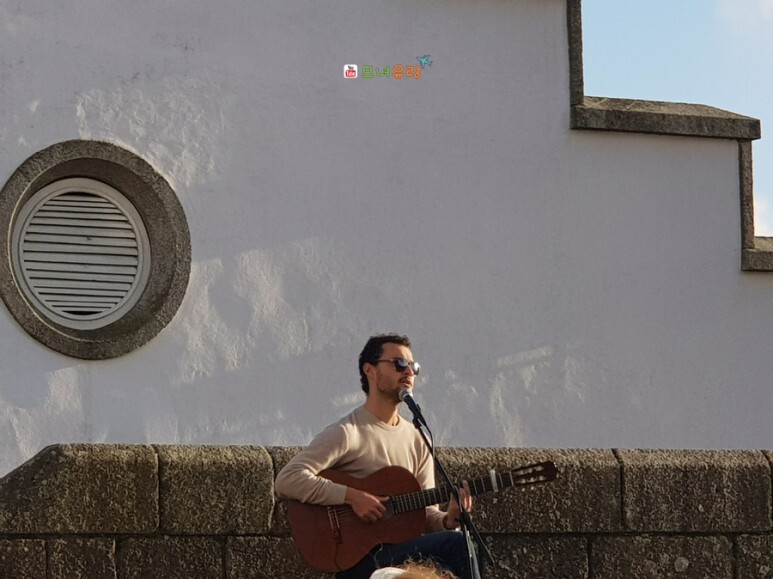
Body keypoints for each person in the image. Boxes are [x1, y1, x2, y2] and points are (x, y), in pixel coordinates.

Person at [275, 333, 474, 579]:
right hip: (358, 559)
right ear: (370, 370)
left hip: (402, 550)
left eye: (414, 367)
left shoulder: (418, 440)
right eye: (399, 364)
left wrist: (448, 520)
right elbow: (288, 478)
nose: (409, 372)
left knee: (462, 543)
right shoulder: (347, 432)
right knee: (456, 545)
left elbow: (424, 514)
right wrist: (352, 496)